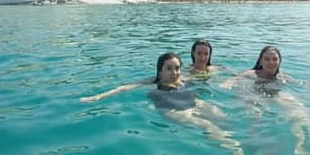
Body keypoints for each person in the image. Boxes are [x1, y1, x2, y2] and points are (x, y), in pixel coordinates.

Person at [147, 52, 270, 155]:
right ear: (160, 71)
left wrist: (231, 78)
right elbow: (140, 87)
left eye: (177, 68)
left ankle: (247, 141)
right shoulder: (155, 87)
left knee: (220, 115)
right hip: (173, 110)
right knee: (206, 124)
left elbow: (201, 76)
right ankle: (236, 152)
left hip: (191, 104)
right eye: (169, 68)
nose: (174, 72)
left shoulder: (182, 81)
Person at [221, 46, 310, 155]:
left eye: (275, 59)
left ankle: (302, 140)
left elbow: (303, 85)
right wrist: (227, 84)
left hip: (274, 94)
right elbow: (234, 79)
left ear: (279, 61)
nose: (271, 62)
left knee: (298, 108)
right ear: (261, 61)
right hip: (255, 94)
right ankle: (250, 139)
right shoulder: (252, 74)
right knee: (256, 113)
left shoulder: (282, 78)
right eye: (267, 59)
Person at [79, 39, 222, 102]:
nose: (202, 57)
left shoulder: (215, 69)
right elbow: (126, 87)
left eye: (206, 54)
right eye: (199, 53)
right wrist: (98, 97)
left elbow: (232, 76)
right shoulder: (180, 74)